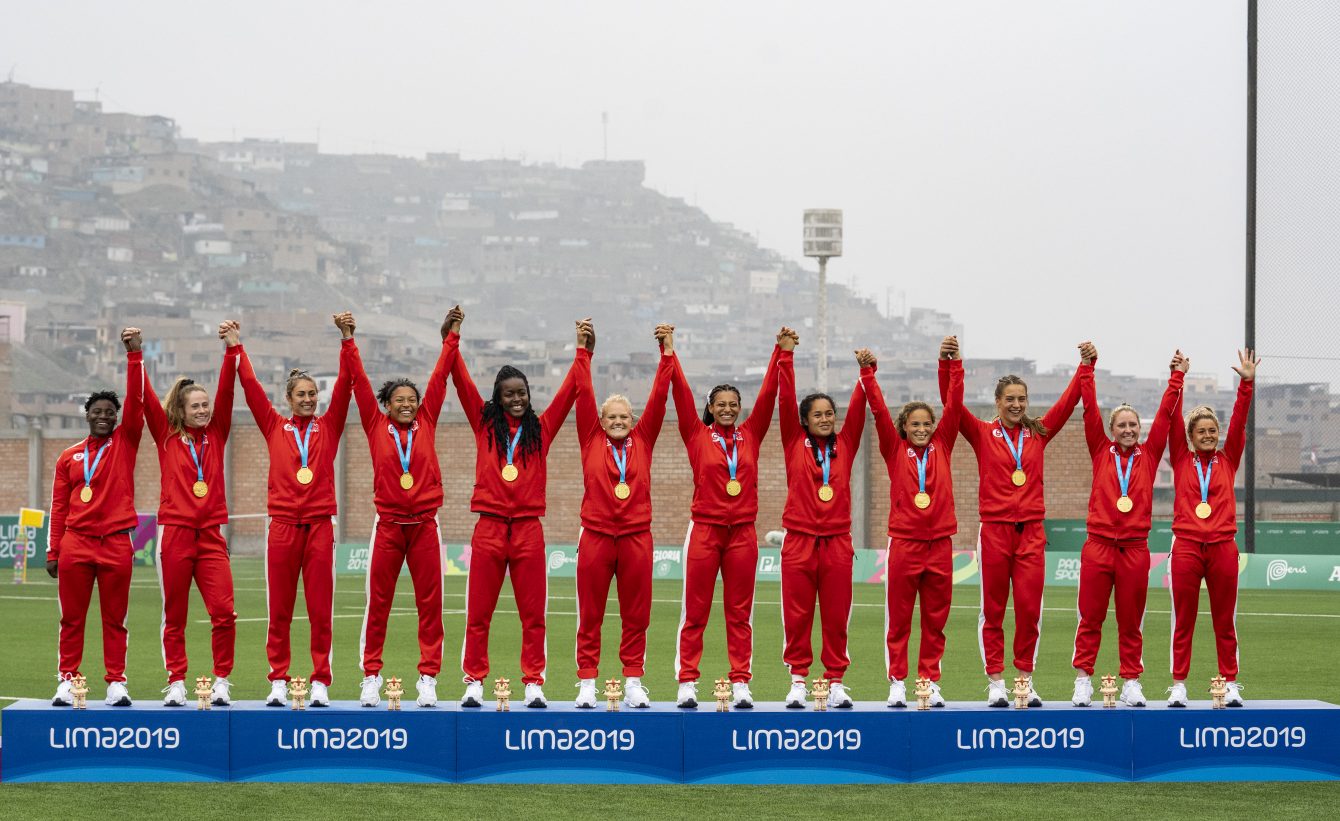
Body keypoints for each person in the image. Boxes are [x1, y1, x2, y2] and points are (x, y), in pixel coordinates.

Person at [452, 312, 588, 709]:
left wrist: (582, 351)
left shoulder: (541, 430)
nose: (516, 399)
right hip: (490, 528)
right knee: (478, 614)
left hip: (528, 530)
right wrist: (453, 339)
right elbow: (460, 383)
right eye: (509, 394)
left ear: (529, 395)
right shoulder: (484, 425)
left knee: (534, 616)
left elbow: (569, 393)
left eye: (522, 393)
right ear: (497, 397)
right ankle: (474, 681)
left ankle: (533, 683)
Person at [947, 343, 1090, 706]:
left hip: (1031, 533)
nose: (1016, 405)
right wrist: (951, 364)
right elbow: (951, 405)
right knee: (992, 610)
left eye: (1022, 398)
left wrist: (1085, 366)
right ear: (997, 402)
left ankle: (1024, 680)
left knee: (1030, 610)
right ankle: (996, 682)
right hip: (994, 531)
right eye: (1010, 398)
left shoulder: (1039, 432)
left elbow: (1068, 403)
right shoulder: (981, 433)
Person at [344, 308, 460, 708]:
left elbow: (441, 377)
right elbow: (358, 382)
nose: (408, 405)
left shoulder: (428, 420)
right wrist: (348, 340)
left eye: (412, 400)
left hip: (426, 526)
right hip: (389, 526)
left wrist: (452, 337)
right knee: (378, 604)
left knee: (431, 605)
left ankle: (427, 678)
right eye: (400, 400)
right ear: (387, 405)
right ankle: (371, 677)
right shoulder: (376, 425)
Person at [236, 314, 353, 708]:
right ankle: (279, 681)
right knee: (279, 612)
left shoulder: (330, 426)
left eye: (311, 394)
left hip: (320, 526)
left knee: (321, 611)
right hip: (283, 526)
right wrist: (237, 347)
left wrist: (347, 340)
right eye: (300, 394)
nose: (307, 399)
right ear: (288, 399)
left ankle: (320, 681)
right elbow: (251, 389)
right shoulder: (274, 427)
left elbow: (347, 388)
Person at [668, 329, 784, 709]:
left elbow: (769, 395)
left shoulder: (752, 433)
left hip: (743, 535)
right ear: (711, 407)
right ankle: (687, 681)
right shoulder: (696, 434)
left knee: (740, 613)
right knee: (695, 611)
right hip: (704, 531)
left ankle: (740, 684)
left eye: (734, 403)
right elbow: (680, 395)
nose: (729, 409)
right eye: (721, 404)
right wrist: (669, 353)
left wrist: (779, 352)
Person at [1070, 348, 1185, 707]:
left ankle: (1131, 680)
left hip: (1135, 548)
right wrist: (1088, 368)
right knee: (1090, 617)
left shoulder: (1149, 455)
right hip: (1098, 546)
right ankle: (1083, 679)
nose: (1128, 429)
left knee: (1131, 620)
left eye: (1133, 425)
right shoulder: (1099, 449)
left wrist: (1176, 377)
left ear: (1140, 429)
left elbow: (1166, 417)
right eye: (1121, 424)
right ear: (1110, 429)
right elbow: (1089, 408)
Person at [571, 322, 675, 708]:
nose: (618, 422)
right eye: (611, 417)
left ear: (633, 420)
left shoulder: (644, 439)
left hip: (635, 537)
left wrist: (667, 353)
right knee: (591, 614)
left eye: (624, 417)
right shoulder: (590, 438)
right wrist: (583, 350)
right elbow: (583, 393)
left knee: (637, 615)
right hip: (596, 536)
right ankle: (586, 683)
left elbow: (660, 398)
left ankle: (632, 681)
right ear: (599, 421)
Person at [143, 321, 241, 706]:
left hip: (211, 536)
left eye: (206, 405)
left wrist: (232, 351)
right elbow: (146, 399)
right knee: (175, 615)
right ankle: (177, 681)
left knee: (225, 612)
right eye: (195, 406)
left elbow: (229, 391)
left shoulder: (217, 434)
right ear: (181, 411)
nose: (203, 410)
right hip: (176, 534)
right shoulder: (165, 438)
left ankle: (220, 680)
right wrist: (136, 354)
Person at [48, 327, 145, 707]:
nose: (103, 416)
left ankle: (116, 682)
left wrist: (134, 355)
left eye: (110, 413)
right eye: (97, 411)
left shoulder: (126, 443)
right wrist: (54, 550)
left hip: (117, 543)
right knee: (71, 619)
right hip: (76, 543)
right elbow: (58, 507)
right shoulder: (68, 457)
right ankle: (67, 681)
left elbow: (137, 403)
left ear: (117, 418)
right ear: (87, 415)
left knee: (115, 619)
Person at [866, 335, 963, 708]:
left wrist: (952, 364)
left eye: (927, 423)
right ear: (903, 427)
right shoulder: (894, 449)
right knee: (900, 619)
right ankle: (897, 682)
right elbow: (877, 411)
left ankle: (929, 680)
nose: (921, 428)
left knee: (936, 619)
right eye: (914, 424)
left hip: (940, 544)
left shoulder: (944, 444)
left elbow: (954, 403)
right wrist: (868, 374)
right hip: (904, 543)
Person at [775, 333, 870, 709]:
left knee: (835, 617)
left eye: (830, 413)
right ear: (803, 420)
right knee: (797, 616)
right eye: (818, 415)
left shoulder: (845, 443)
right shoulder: (791, 441)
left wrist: (865, 373)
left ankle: (835, 682)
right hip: (798, 540)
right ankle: (798, 681)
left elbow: (860, 410)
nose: (826, 419)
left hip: (837, 542)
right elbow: (784, 399)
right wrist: (786, 356)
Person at [1166, 349, 1258, 708]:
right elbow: (1173, 419)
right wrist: (1179, 377)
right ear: (1190, 436)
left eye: (1212, 431)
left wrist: (1246, 384)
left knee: (1225, 621)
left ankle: (1231, 683)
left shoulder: (1228, 457)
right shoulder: (1180, 457)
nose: (1208, 435)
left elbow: (1239, 421)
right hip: (1186, 545)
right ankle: (1178, 685)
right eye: (1201, 431)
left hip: (1222, 547)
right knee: (1182, 621)